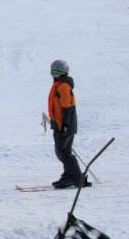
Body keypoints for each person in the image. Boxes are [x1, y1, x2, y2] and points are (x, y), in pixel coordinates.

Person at [48, 60, 89, 189]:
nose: (55, 75)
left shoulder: (63, 86)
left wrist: (65, 125)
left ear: (64, 72)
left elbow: (67, 107)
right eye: (53, 72)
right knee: (62, 152)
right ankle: (69, 175)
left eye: (58, 72)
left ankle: (77, 178)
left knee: (63, 152)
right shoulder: (59, 85)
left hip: (65, 125)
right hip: (59, 124)